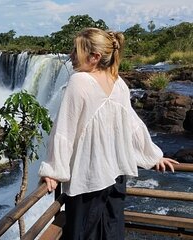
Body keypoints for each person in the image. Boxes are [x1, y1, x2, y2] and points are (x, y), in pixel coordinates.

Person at [38, 28, 179, 240]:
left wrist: (53, 170)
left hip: (89, 180)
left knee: (81, 235)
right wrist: (153, 156)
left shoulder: (80, 81)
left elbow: (64, 130)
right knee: (111, 234)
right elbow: (132, 125)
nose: (71, 55)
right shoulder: (118, 83)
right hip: (115, 178)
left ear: (94, 57)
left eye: (76, 51)